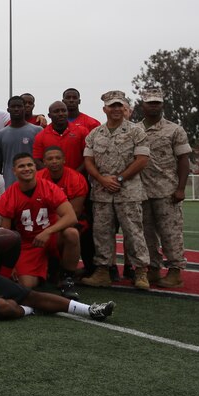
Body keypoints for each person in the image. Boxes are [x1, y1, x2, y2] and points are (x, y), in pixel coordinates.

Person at [80, 90, 151, 290]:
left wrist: (119, 178)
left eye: (120, 105)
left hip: (128, 192)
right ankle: (103, 271)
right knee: (102, 233)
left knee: (134, 233)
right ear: (105, 109)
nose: (116, 109)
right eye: (112, 106)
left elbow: (142, 160)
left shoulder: (136, 131)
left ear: (125, 107)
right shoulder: (95, 134)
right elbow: (88, 161)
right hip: (102, 194)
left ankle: (140, 272)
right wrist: (102, 179)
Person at [0, 153, 82, 297]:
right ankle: (49, 269)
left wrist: (48, 232)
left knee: (72, 233)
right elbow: (6, 234)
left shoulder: (49, 188)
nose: (26, 169)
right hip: (29, 244)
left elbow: (71, 217)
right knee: (25, 285)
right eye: (21, 166)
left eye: (29, 165)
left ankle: (67, 278)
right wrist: (12, 264)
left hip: (51, 237)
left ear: (35, 168)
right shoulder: (9, 195)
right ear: (14, 171)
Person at [139, 88, 192, 288]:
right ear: (142, 105)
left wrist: (181, 188)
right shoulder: (135, 130)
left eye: (157, 102)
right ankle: (153, 268)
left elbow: (184, 160)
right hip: (141, 191)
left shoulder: (174, 130)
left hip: (167, 191)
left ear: (162, 105)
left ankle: (175, 270)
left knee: (170, 232)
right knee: (146, 233)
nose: (153, 105)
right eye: (150, 102)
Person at [37, 145, 92, 274]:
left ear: (64, 160)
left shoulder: (76, 178)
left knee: (70, 233)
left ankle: (67, 274)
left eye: (58, 158)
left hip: (69, 220)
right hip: (43, 219)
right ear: (44, 162)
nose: (54, 161)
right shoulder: (37, 178)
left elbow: (75, 212)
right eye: (50, 159)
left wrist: (51, 229)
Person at [0, 95, 42, 188]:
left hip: (34, 183)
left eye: (19, 106)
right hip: (9, 184)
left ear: (24, 108)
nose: (16, 109)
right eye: (13, 107)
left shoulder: (37, 131)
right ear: (8, 109)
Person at [32, 101, 89, 173]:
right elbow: (37, 160)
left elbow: (88, 157)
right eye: (56, 111)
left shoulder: (82, 131)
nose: (61, 114)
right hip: (50, 181)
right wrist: (52, 175)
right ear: (49, 115)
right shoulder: (40, 136)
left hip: (78, 179)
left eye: (63, 111)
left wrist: (75, 175)